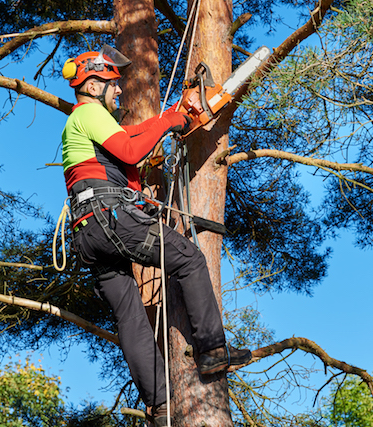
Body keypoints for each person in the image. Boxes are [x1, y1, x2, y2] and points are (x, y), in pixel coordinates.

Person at [60, 45, 252, 426]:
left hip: (88, 234)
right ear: (95, 85)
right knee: (189, 259)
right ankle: (212, 350)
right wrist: (168, 122)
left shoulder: (87, 126)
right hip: (109, 219)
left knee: (130, 315)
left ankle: (161, 404)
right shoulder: (90, 114)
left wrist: (173, 117)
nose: (119, 92)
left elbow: (130, 138)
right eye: (114, 85)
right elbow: (131, 150)